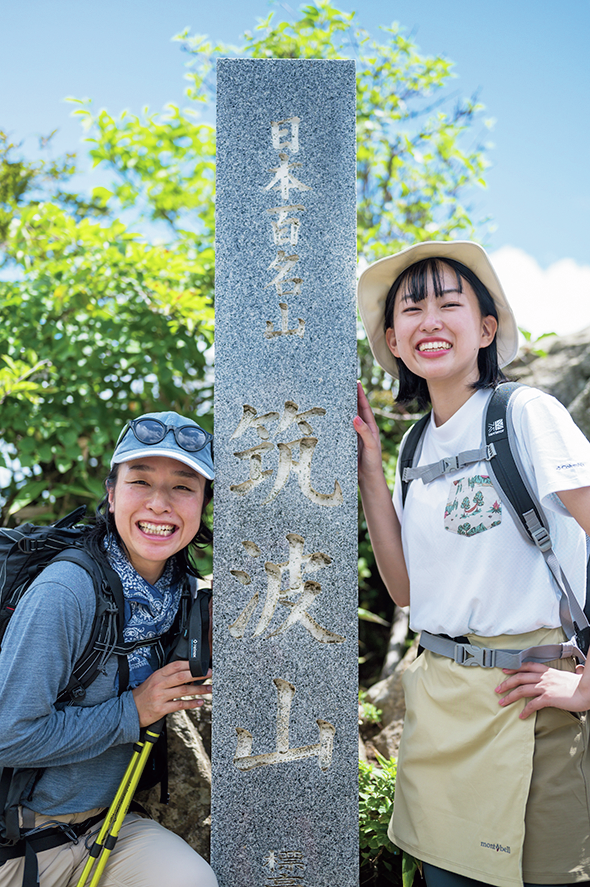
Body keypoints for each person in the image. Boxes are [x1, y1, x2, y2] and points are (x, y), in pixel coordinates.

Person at [355, 240, 590, 887]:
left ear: (486, 327)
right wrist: (372, 472)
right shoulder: (414, 447)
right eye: (411, 308)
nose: (429, 319)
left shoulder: (525, 415)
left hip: (532, 706)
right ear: (394, 342)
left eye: (449, 303)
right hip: (443, 715)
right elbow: (406, 589)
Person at [0, 411, 218, 887]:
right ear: (112, 493)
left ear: (203, 503)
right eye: (140, 481)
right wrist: (133, 711)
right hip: (19, 843)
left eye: (183, 487)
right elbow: (6, 734)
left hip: (109, 828)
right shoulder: (67, 591)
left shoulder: (182, 595)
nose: (160, 505)